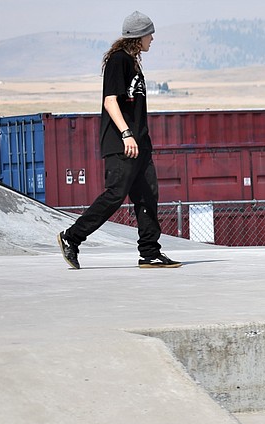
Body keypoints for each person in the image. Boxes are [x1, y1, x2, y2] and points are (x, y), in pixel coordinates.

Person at [58, 11, 181, 270]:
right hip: (122, 143)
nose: (153, 38)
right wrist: (126, 134)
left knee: (147, 196)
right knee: (115, 195)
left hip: (140, 143)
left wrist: (138, 138)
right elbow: (110, 100)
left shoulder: (134, 63)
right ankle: (72, 237)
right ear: (138, 35)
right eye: (150, 33)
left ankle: (149, 252)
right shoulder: (119, 61)